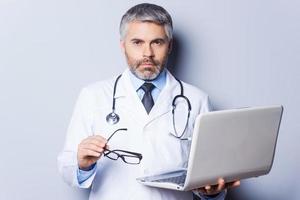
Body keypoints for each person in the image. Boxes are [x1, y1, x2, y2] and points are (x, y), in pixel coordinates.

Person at [57, 3, 240, 200]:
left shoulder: (197, 100)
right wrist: (83, 165)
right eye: (137, 42)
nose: (147, 53)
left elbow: (210, 177)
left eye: (157, 42)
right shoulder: (93, 95)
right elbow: (68, 168)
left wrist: (213, 193)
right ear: (123, 45)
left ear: (169, 46)